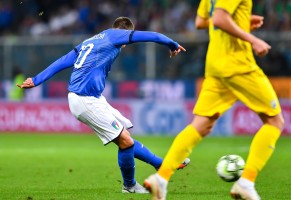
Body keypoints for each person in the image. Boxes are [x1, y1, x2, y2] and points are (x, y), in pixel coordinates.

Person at [17, 17, 187, 194]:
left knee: (125, 137)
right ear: (126, 33)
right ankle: (130, 185)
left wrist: (37, 80)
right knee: (125, 141)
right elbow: (152, 35)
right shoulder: (116, 36)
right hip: (84, 99)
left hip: (92, 98)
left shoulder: (90, 41)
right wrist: (172, 43)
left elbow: (63, 61)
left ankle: (161, 165)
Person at [144, 0, 284, 200]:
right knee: (274, 121)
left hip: (215, 65)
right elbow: (219, 18)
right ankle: (246, 182)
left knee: (201, 125)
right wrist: (252, 38)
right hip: (238, 64)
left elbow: (202, 21)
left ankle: (161, 178)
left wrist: (241, 21)